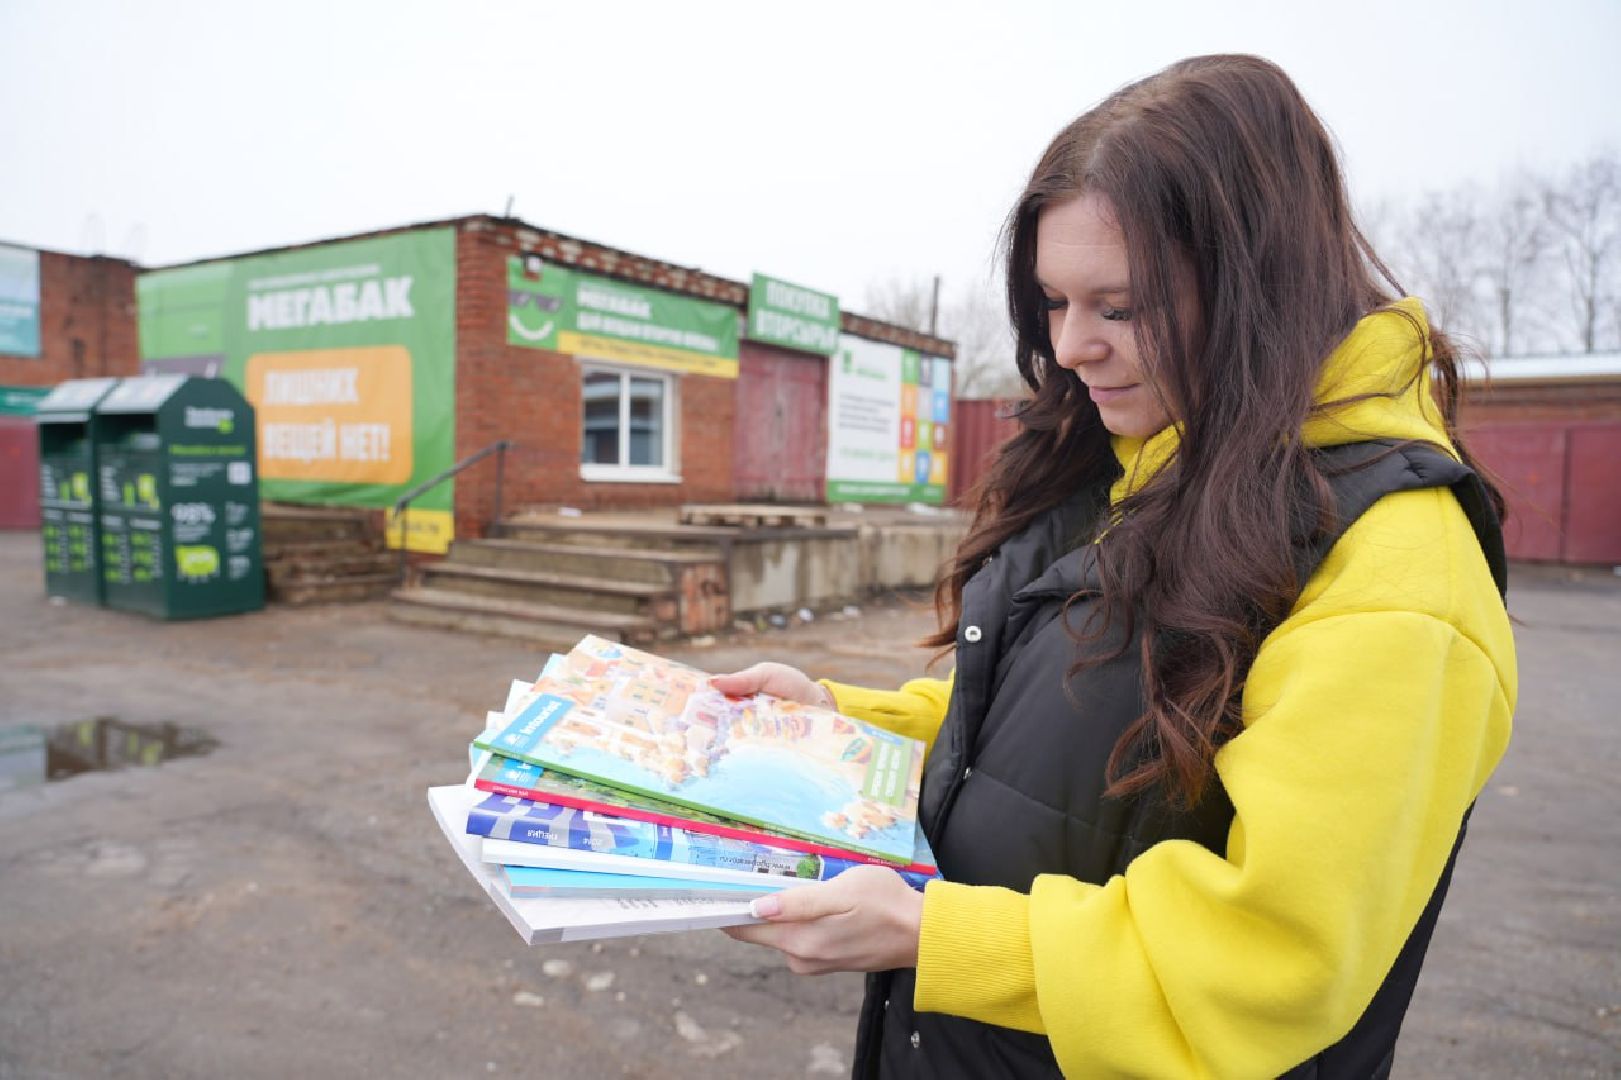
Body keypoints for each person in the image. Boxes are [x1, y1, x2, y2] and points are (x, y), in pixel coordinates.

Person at [713, 53, 1517, 1079]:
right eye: (1053, 301)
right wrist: (834, 727)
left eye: (1119, 306)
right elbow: (1043, 731)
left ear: (1261, 285)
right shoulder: (1135, 458)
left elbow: (1272, 959)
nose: (1069, 346)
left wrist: (937, 937)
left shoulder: (1396, 568)